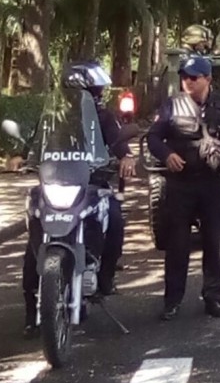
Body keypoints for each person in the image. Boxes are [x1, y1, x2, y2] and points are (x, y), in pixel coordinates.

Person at [13, 61, 136, 337]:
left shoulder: (103, 117)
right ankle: (31, 310)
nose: (101, 93)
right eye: (96, 88)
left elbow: (118, 141)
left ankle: (104, 280)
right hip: (56, 183)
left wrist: (126, 157)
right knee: (35, 233)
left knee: (115, 218)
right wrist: (21, 155)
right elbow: (35, 141)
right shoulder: (52, 116)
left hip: (92, 183)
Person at [147, 55, 220, 320]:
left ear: (208, 79)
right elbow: (153, 137)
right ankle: (172, 302)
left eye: (194, 77)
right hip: (181, 185)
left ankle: (213, 298)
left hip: (213, 184)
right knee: (177, 245)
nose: (188, 82)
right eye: (184, 77)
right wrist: (167, 154)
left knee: (214, 244)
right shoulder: (171, 106)